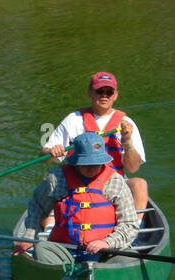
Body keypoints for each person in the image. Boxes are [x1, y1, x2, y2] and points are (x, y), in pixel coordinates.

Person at [13, 131, 139, 262]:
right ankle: (62, 274)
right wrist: (29, 235)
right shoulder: (57, 178)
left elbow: (129, 224)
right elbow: (37, 207)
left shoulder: (115, 181)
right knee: (42, 249)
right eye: (86, 164)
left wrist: (107, 243)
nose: (91, 168)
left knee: (128, 258)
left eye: (95, 164)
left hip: (105, 251)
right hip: (64, 248)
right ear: (76, 161)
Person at [43, 72, 148, 214]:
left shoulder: (126, 124)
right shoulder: (73, 120)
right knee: (50, 181)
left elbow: (133, 168)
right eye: (99, 91)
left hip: (113, 182)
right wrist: (51, 152)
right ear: (90, 93)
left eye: (109, 92)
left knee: (140, 184)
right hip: (78, 181)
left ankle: (136, 229)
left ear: (115, 95)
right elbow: (46, 158)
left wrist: (127, 141)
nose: (104, 95)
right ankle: (50, 227)